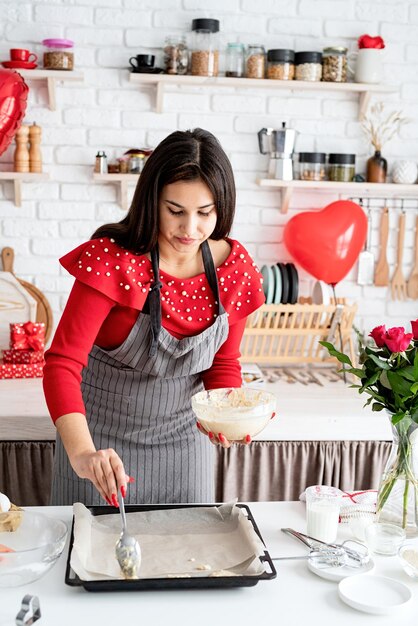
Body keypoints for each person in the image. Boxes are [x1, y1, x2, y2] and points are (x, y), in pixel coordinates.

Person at [43, 128, 265, 508]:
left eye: (204, 213)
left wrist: (226, 413)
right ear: (152, 200)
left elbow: (224, 363)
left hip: (185, 445)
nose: (190, 229)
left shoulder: (234, 268)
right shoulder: (111, 260)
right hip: (100, 448)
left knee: (188, 559)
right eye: (175, 211)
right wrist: (82, 454)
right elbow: (62, 364)